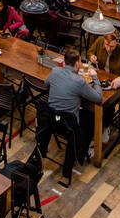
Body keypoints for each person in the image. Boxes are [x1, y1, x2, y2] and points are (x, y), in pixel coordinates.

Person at [36, 47, 103, 180]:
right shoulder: (79, 81)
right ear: (78, 63)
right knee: (90, 119)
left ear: (64, 61)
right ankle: (83, 152)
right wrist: (95, 78)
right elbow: (98, 98)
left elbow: (46, 83)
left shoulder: (55, 71)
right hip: (68, 126)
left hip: (50, 120)